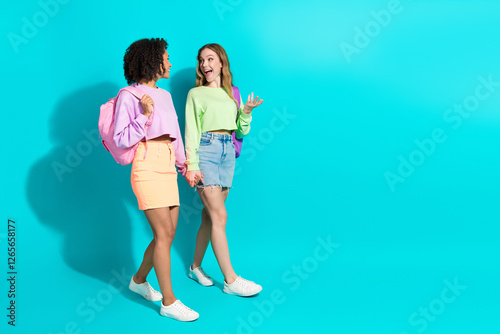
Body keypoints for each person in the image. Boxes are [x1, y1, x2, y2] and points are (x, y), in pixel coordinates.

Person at [113, 38, 200, 321]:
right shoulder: (129, 95)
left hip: (166, 164)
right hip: (146, 163)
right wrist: (144, 116)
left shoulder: (164, 95)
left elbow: (173, 133)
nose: (170, 62)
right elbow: (121, 138)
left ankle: (138, 281)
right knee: (163, 235)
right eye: (166, 57)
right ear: (152, 61)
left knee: (168, 233)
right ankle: (169, 301)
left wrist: (185, 167)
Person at [184, 43, 264, 296]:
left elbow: (240, 131)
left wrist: (247, 113)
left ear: (221, 63)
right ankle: (231, 280)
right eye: (201, 60)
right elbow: (191, 132)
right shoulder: (195, 94)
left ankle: (195, 267)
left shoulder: (234, 93)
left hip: (227, 152)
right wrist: (191, 166)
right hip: (206, 151)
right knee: (220, 216)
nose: (205, 65)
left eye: (210, 59)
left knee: (209, 216)